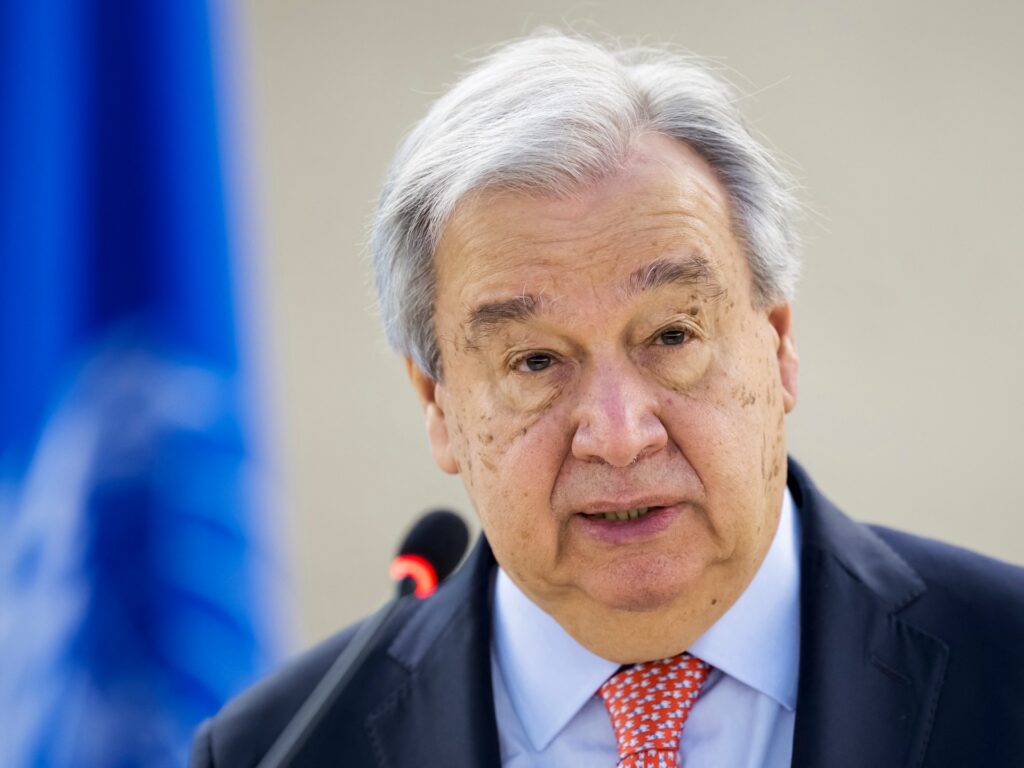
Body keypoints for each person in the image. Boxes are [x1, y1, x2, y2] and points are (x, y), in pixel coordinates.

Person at [191, 33, 1024, 767]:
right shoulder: (280, 750)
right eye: (535, 360)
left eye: (671, 336)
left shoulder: (1007, 666)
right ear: (437, 405)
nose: (620, 436)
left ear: (777, 347)